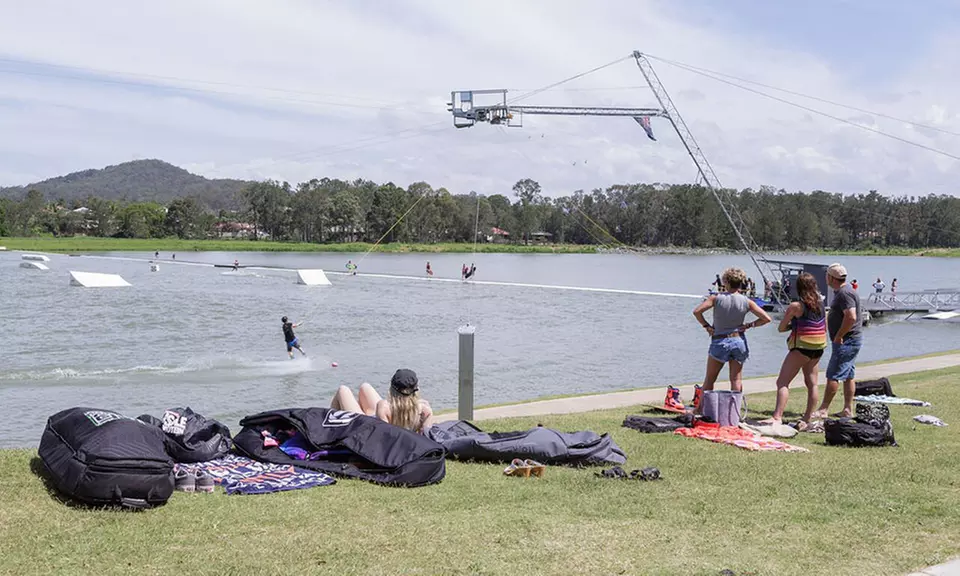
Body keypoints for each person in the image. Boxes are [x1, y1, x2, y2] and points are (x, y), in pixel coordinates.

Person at [760, 272, 827, 429]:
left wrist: (793, 325)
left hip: (801, 349)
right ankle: (807, 418)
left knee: (782, 382)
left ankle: (777, 417)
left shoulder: (796, 306)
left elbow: (781, 328)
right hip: (817, 349)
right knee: (812, 384)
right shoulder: (821, 304)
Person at [692, 267, 772, 396]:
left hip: (720, 340)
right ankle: (734, 411)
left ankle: (702, 409)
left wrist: (706, 326)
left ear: (725, 282)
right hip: (738, 340)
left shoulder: (716, 298)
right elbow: (766, 318)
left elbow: (697, 311)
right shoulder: (747, 301)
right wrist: (750, 325)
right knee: (736, 379)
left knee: (710, 379)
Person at [812, 263, 863, 419]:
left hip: (846, 340)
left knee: (833, 374)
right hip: (851, 339)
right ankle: (848, 409)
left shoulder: (844, 294)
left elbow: (851, 316)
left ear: (831, 278)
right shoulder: (846, 291)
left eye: (827, 275)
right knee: (848, 375)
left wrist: (839, 335)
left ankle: (823, 409)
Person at [330, 369, 434, 434]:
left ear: (392, 389)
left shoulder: (384, 406)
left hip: (365, 427)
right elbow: (426, 438)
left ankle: (330, 430)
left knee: (343, 390)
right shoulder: (425, 410)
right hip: (385, 423)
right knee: (365, 387)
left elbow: (383, 436)